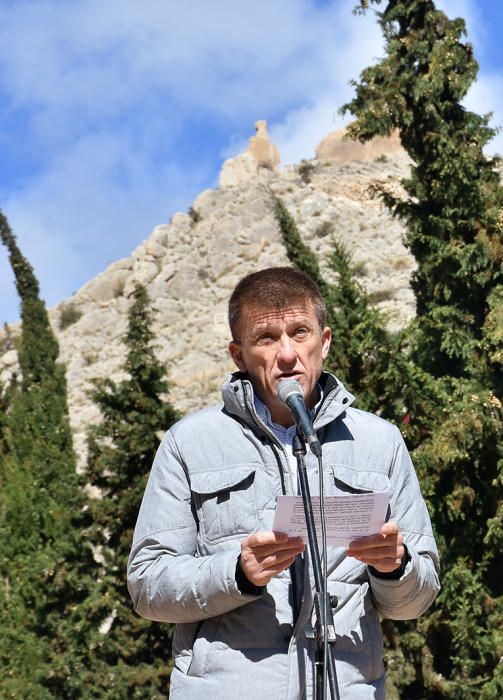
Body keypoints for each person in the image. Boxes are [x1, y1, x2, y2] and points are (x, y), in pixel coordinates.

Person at [128, 267, 440, 699]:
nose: (288, 354)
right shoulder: (189, 442)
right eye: (267, 338)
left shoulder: (380, 441)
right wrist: (236, 574)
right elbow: (147, 586)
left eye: (300, 332)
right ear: (239, 355)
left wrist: (396, 567)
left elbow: (415, 600)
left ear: (324, 342)